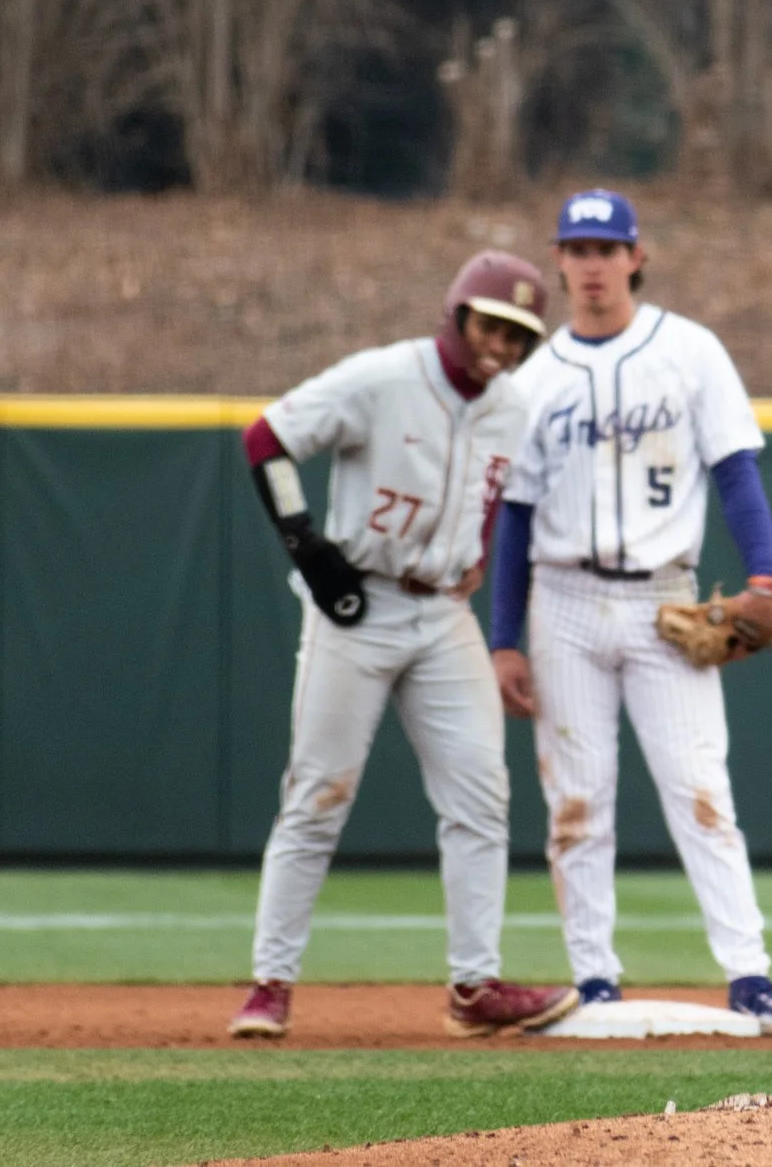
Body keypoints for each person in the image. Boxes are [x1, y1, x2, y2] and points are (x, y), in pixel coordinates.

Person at [488, 189, 772, 1036]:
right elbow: (516, 514)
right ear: (559, 261)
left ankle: (751, 975)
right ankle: (593, 977)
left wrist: (766, 579)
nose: (592, 264)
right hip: (561, 601)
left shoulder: (692, 352)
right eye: (577, 248)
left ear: (636, 255)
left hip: (665, 593)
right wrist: (502, 640)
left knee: (701, 787)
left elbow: (737, 472)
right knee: (576, 800)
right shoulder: (534, 379)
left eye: (607, 248)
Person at [230, 253, 577, 1040]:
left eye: (520, 334)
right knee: (318, 796)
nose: (502, 345)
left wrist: (483, 587)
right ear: (457, 317)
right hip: (358, 604)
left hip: (443, 610)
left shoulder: (511, 409)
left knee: (482, 795)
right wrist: (304, 543)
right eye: (492, 324)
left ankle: (475, 986)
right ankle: (269, 984)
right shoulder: (383, 377)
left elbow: (491, 508)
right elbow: (266, 436)